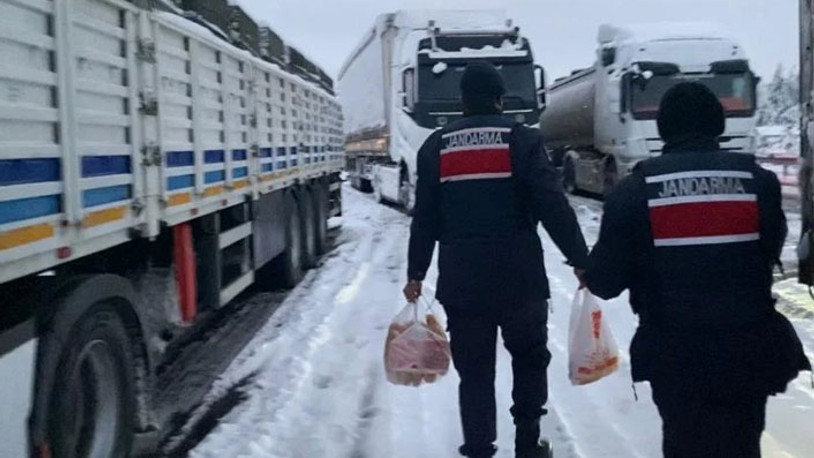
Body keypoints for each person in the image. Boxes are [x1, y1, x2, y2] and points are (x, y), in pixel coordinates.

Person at [584, 82, 811, 458]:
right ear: (718, 123)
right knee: (743, 443)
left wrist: (590, 271)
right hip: (747, 350)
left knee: (685, 442)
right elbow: (769, 249)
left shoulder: (636, 190)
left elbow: (607, 281)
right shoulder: (759, 182)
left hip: (676, 356)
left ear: (664, 128)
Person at [403, 62, 589, 458]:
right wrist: (579, 258)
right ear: (500, 100)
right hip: (520, 279)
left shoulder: (436, 146)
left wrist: (416, 272)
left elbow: (425, 219)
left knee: (474, 371)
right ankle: (528, 443)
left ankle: (478, 446)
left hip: (463, 283)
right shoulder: (522, 140)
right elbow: (553, 205)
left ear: (463, 101)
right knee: (529, 358)